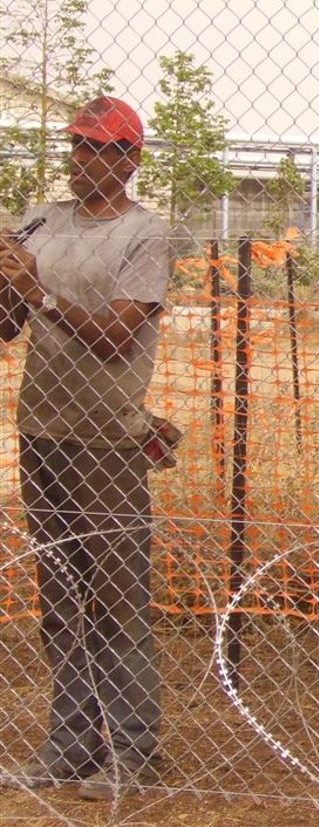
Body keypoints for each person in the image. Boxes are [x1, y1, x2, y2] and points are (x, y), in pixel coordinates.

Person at [0, 96, 171, 801]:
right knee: (61, 598)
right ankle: (71, 745)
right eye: (77, 146)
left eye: (100, 149)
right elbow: (8, 326)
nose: (82, 160)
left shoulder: (145, 235)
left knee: (117, 599)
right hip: (43, 431)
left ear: (130, 160)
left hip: (106, 440)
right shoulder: (43, 222)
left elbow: (115, 336)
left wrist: (37, 295)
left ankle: (133, 750)